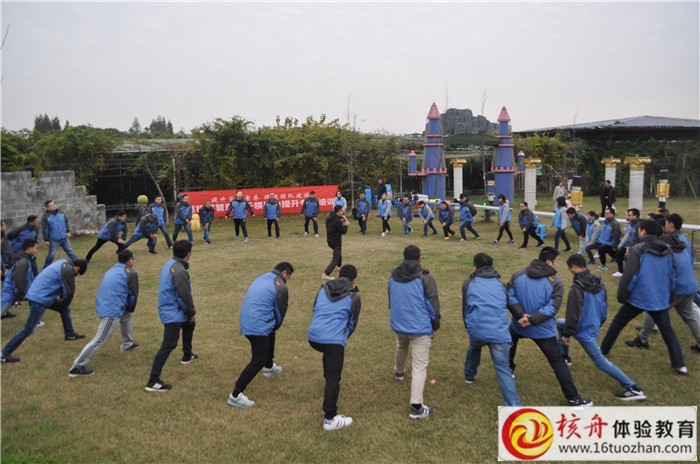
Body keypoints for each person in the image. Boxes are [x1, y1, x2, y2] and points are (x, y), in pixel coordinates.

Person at [600, 220, 688, 375]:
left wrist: (622, 294)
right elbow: (673, 276)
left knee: (618, 323)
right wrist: (670, 297)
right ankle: (680, 365)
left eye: (639, 230)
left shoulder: (638, 249)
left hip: (639, 296)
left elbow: (630, 275)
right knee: (667, 331)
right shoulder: (667, 249)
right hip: (659, 298)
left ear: (643, 231)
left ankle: (602, 351)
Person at [507, 247, 592, 407]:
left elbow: (510, 296)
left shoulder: (518, 275)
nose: (558, 265)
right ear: (548, 262)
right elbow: (552, 307)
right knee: (558, 362)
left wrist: (522, 316)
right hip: (542, 331)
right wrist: (528, 318)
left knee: (510, 342)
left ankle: (509, 368)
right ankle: (574, 398)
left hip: (520, 325)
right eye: (557, 262)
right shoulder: (555, 282)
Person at [556, 254, 646, 401]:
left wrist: (567, 334)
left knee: (601, 362)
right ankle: (564, 356)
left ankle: (633, 388)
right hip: (593, 323)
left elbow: (573, 313)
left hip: (583, 329)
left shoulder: (576, 287)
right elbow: (604, 305)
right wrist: (600, 321)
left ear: (574, 267)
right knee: (560, 323)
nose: (569, 271)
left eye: (569, 268)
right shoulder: (598, 281)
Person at [627, 213, 700, 353]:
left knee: (653, 309)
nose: (664, 227)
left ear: (671, 225)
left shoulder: (667, 242)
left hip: (677, 286)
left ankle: (642, 339)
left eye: (665, 224)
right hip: (689, 283)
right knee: (689, 315)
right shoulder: (683, 239)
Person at [228, 262, 293, 408]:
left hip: (246, 320)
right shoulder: (281, 287)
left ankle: (269, 367)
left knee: (271, 334)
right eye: (289, 277)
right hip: (257, 326)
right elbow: (280, 312)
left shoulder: (263, 277)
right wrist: (275, 326)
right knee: (258, 359)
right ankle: (236, 395)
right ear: (284, 273)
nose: (288, 280)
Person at [68, 250, 140, 377]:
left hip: (103, 301)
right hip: (111, 308)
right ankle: (77, 367)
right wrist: (131, 307)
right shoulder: (131, 273)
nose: (134, 261)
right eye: (134, 259)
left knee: (126, 317)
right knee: (100, 339)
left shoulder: (112, 269)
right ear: (130, 261)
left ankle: (127, 344)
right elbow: (133, 294)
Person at [1, 257, 88, 364]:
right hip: (40, 299)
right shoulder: (67, 270)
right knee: (28, 329)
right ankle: (4, 354)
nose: (75, 275)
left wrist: (63, 303)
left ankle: (70, 334)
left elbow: (62, 285)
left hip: (41, 294)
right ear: (77, 268)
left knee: (64, 309)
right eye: (77, 274)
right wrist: (65, 301)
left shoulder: (63, 262)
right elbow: (69, 290)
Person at [389, 245, 440, 419]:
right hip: (420, 327)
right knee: (419, 365)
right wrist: (435, 324)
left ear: (403, 258)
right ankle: (417, 407)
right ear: (420, 259)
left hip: (400, 323)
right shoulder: (424, 278)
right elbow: (433, 301)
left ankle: (399, 372)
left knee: (401, 344)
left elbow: (391, 300)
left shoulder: (393, 277)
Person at [462, 253, 520, 406]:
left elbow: (465, 307)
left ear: (475, 267)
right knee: (503, 369)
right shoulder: (500, 283)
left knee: (474, 347)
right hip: (499, 332)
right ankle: (513, 406)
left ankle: (469, 375)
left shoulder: (469, 282)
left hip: (478, 329)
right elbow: (506, 303)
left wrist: (468, 325)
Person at [307, 264, 361, 430]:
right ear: (354, 280)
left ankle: (329, 374)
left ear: (337, 276)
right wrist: (341, 336)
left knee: (330, 356)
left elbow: (315, 309)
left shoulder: (322, 289)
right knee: (333, 377)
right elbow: (352, 323)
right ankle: (330, 419)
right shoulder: (354, 296)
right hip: (332, 341)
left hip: (313, 337)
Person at [145, 241, 198, 392]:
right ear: (188, 254)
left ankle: (187, 355)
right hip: (172, 311)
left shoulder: (171, 263)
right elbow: (183, 294)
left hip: (172, 307)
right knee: (169, 344)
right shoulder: (179, 271)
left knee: (189, 325)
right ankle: (153, 381)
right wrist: (191, 312)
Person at [1, 238, 39, 319]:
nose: (36, 250)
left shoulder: (26, 259)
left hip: (14, 293)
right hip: (10, 294)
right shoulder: (23, 262)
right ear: (29, 249)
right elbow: (19, 279)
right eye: (35, 248)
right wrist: (20, 296)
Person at [41, 200, 79, 269]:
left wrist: (68, 231)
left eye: (54, 204)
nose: (54, 206)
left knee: (70, 252)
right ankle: (46, 267)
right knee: (51, 255)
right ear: (47, 208)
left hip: (64, 238)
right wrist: (46, 240)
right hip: (54, 239)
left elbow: (66, 222)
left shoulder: (61, 213)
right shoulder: (46, 217)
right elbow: (44, 229)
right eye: (51, 205)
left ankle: (78, 264)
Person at [322, 205, 349, 280]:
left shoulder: (329, 218)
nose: (343, 212)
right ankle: (326, 274)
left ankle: (339, 266)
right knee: (336, 258)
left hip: (329, 240)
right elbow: (343, 231)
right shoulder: (337, 221)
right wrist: (346, 225)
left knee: (338, 252)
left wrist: (340, 222)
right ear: (339, 211)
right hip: (336, 241)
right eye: (342, 211)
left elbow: (334, 226)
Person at [612, 208, 639, 277]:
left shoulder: (638, 225)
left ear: (635, 216)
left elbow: (635, 238)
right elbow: (628, 236)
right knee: (619, 255)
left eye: (629, 215)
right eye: (628, 215)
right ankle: (623, 271)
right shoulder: (631, 224)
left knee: (626, 258)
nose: (627, 217)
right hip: (629, 246)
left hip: (634, 247)